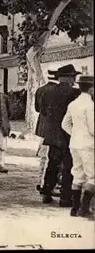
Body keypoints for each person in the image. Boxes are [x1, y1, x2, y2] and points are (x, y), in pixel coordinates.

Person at [41, 64, 81, 207]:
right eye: (74, 77)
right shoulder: (75, 93)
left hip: (52, 135)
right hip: (67, 135)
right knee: (68, 166)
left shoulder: (48, 91)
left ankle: (46, 192)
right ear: (69, 77)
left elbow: (43, 111)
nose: (74, 80)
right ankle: (65, 198)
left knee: (52, 164)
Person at [62, 75, 94, 218]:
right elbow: (93, 128)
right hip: (88, 145)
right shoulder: (90, 105)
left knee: (78, 175)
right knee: (92, 177)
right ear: (91, 88)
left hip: (74, 144)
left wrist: (75, 134)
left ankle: (74, 209)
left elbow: (65, 124)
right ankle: (84, 209)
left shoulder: (73, 104)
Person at [35, 67, 60, 194]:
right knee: (52, 157)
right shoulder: (58, 91)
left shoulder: (40, 90)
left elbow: (37, 109)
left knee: (43, 156)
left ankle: (40, 181)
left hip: (42, 126)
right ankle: (47, 183)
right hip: (55, 129)